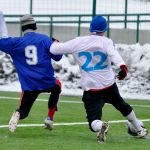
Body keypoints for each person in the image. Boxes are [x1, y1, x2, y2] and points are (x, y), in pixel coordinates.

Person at [49, 16, 148, 143]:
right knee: (122, 105)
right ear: (104, 29)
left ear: (90, 27)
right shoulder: (106, 41)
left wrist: (55, 42)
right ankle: (139, 128)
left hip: (92, 88)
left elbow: (53, 49)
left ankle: (101, 125)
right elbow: (113, 54)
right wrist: (123, 67)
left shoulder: (78, 41)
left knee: (93, 121)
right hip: (109, 84)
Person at [0, 11, 62, 132]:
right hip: (46, 81)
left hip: (29, 85)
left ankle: (18, 113)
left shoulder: (15, 43)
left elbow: (2, 42)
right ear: (35, 26)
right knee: (57, 86)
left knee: (24, 112)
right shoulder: (45, 40)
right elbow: (58, 57)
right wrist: (57, 44)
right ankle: (49, 118)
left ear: (22, 28)